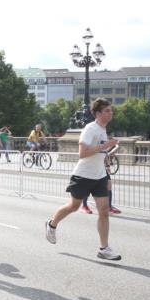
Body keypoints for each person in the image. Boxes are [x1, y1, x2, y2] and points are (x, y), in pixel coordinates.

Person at [44, 99, 121, 260]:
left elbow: (99, 155)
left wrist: (106, 169)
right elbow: (83, 153)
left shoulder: (103, 130)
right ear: (98, 113)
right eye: (107, 110)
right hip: (83, 175)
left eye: (110, 110)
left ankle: (104, 248)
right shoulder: (90, 129)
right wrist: (106, 145)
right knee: (73, 206)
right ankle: (51, 224)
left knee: (104, 212)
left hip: (99, 176)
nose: (111, 113)